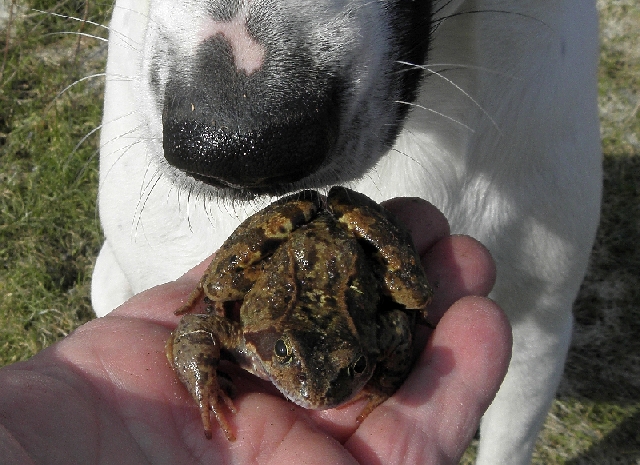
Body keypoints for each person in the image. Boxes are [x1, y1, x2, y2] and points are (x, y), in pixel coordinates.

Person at [0, 198, 511, 464]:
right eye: (288, 359)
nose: (317, 390)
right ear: (272, 347)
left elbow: (399, 328)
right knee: (220, 284)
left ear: (359, 354)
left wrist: (378, 377)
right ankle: (301, 212)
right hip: (294, 260)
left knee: (417, 296)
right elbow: (199, 329)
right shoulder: (251, 340)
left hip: (348, 257)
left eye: (350, 371)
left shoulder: (365, 344)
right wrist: (204, 384)